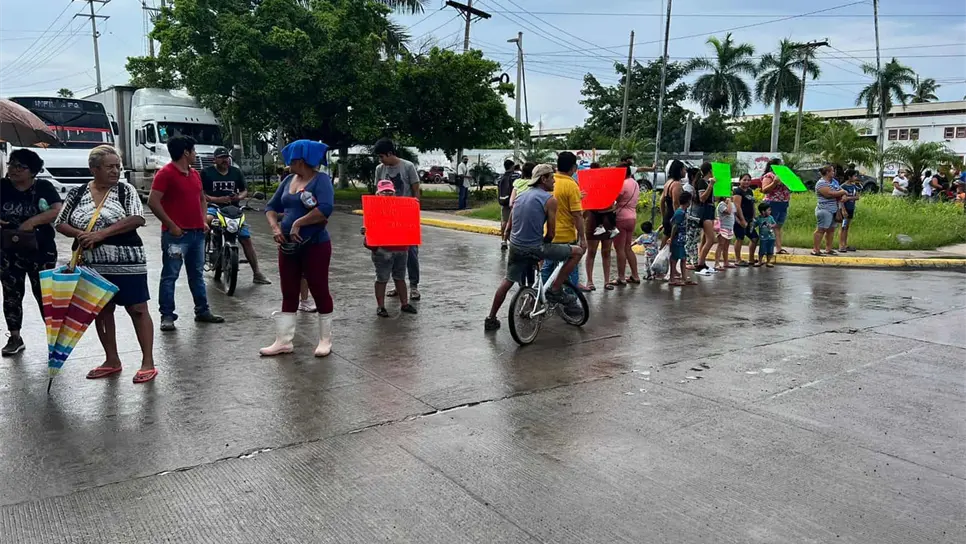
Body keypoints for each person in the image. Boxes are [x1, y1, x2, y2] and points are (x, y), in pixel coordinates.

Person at [55, 145, 156, 383]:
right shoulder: (77, 193)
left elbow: (136, 218)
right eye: (109, 167)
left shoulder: (125, 190)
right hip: (93, 264)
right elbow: (60, 223)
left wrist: (101, 235)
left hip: (128, 261)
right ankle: (112, 359)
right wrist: (81, 234)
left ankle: (147, 362)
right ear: (94, 169)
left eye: (117, 167)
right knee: (101, 310)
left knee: (138, 309)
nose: (115, 171)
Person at [484, 164, 585, 331]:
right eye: (551, 178)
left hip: (516, 246)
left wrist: (510, 239)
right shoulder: (549, 200)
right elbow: (551, 233)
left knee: (507, 281)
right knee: (577, 252)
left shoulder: (520, 196)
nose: (554, 181)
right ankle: (556, 288)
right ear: (543, 179)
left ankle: (491, 318)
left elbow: (508, 227)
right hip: (534, 248)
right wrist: (543, 247)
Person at [260, 139, 335, 357]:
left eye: (290, 160)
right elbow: (271, 207)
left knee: (319, 289)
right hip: (288, 245)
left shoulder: (321, 180)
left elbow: (326, 209)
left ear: (300, 160)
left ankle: (324, 340)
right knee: (289, 290)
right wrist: (275, 227)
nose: (287, 164)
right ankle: (284, 341)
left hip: (315, 244)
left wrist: (298, 222)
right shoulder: (288, 180)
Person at [147, 135, 224, 331]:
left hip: (197, 234)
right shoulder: (165, 174)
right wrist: (171, 225)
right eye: (193, 151)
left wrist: (203, 219)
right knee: (170, 275)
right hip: (176, 237)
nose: (195, 154)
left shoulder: (194, 174)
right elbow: (153, 202)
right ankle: (167, 315)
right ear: (185, 152)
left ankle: (202, 310)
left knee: (196, 274)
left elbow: (201, 199)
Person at [0, 148, 62, 355]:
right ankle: (15, 337)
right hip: (8, 250)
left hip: (40, 250)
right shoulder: (2, 186)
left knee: (46, 294)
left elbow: (56, 210)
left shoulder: (44, 187)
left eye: (20, 166)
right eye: (12, 165)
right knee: (11, 294)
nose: (14, 170)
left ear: (33, 171)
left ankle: (54, 340)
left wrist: (31, 222)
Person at [201, 147, 271, 285]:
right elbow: (200, 194)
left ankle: (257, 273)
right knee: (206, 222)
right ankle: (202, 256)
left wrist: (238, 197)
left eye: (226, 157)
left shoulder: (236, 172)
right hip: (214, 208)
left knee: (246, 238)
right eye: (221, 157)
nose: (224, 160)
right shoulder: (206, 173)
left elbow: (245, 191)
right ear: (214, 159)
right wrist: (217, 200)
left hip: (234, 210)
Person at [374, 138, 421, 301]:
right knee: (391, 254)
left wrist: (415, 211)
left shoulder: (408, 166)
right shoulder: (380, 169)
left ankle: (413, 286)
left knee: (411, 252)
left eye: (382, 156)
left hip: (406, 216)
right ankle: (397, 284)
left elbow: (416, 190)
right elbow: (377, 193)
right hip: (388, 218)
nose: (381, 160)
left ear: (390, 153)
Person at [363, 180, 417, 317]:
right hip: (382, 251)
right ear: (378, 193)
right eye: (384, 191)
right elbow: (368, 236)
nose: (387, 194)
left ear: (394, 192)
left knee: (400, 277)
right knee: (382, 278)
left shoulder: (403, 207)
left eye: (389, 191)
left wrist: (414, 207)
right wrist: (367, 233)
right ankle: (380, 306)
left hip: (401, 249)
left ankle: (404, 304)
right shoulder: (373, 210)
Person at [542, 152, 586, 287]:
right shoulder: (571, 185)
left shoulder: (549, 182)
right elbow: (577, 215)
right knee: (569, 271)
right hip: (566, 236)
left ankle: (541, 294)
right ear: (573, 168)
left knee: (547, 268)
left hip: (548, 234)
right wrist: (582, 238)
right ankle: (569, 299)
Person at [613, 165, 642, 284]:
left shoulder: (623, 184)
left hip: (621, 218)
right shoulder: (635, 183)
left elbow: (616, 199)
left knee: (619, 249)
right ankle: (635, 275)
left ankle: (621, 277)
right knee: (628, 247)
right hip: (632, 217)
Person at [812, 165, 847, 256]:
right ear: (827, 172)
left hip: (834, 209)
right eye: (832, 171)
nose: (834, 173)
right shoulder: (821, 183)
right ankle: (816, 249)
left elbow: (840, 189)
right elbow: (829, 194)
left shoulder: (834, 181)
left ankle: (828, 249)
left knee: (831, 230)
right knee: (821, 229)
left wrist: (843, 195)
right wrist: (843, 193)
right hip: (824, 209)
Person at [661, 191, 694, 286]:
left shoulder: (682, 212)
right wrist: (671, 238)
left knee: (683, 258)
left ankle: (684, 277)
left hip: (681, 239)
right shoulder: (680, 213)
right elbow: (674, 226)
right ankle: (672, 278)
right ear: (688, 201)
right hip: (677, 239)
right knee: (674, 258)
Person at [761, 158, 791, 255]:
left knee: (777, 226)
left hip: (783, 203)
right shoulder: (769, 176)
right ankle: (765, 249)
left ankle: (778, 248)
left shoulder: (784, 176)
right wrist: (774, 183)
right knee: (768, 226)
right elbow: (764, 190)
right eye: (780, 164)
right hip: (772, 203)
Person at [694, 163, 718, 276]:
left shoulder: (709, 183)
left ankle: (702, 262)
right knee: (711, 239)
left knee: (705, 238)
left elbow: (714, 198)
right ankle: (700, 264)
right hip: (705, 211)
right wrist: (710, 185)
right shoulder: (702, 182)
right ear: (709, 171)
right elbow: (702, 198)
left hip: (711, 209)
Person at [587, 163, 619, 240]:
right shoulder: (605, 178)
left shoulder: (593, 180)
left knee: (596, 212)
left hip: (600, 207)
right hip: (608, 207)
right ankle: (613, 228)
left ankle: (601, 226)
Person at [732, 173, 758, 266]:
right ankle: (738, 259)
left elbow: (752, 204)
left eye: (748, 180)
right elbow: (737, 206)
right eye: (744, 179)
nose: (746, 182)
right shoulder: (737, 191)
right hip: (740, 219)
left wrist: (754, 216)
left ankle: (751, 259)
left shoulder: (750, 191)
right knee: (740, 238)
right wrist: (742, 220)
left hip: (749, 219)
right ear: (740, 181)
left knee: (754, 238)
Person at [659, 160, 686, 243]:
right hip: (673, 216)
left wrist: (664, 216)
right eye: (684, 169)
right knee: (672, 242)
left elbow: (661, 200)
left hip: (668, 214)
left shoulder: (668, 183)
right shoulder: (676, 184)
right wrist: (678, 218)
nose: (685, 172)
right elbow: (676, 202)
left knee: (666, 238)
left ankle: (660, 255)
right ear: (679, 170)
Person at [497, 159, 520, 250]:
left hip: (503, 201)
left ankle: (504, 241)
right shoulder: (516, 176)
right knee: (514, 222)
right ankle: (514, 241)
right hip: (514, 202)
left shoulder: (500, 177)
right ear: (512, 166)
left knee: (504, 221)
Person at [839, 169, 861, 252]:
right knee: (843, 226)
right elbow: (841, 200)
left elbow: (857, 197)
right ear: (849, 177)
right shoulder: (843, 187)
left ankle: (845, 244)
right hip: (845, 208)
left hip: (851, 208)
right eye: (854, 176)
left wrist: (848, 198)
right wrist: (843, 210)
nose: (856, 177)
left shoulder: (854, 186)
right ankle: (841, 245)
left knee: (847, 227)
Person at [684, 167, 701, 270]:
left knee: (695, 241)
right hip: (690, 217)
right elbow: (696, 200)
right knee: (689, 240)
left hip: (697, 217)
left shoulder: (695, 188)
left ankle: (695, 260)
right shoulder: (688, 188)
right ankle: (686, 261)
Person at [714, 196, 736, 270]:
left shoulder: (731, 204)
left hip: (729, 228)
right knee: (720, 245)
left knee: (726, 247)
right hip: (723, 227)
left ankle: (726, 262)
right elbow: (729, 212)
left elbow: (733, 214)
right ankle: (716, 263)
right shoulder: (721, 204)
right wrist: (729, 202)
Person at [754, 203, 778, 268]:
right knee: (762, 250)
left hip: (771, 237)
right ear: (763, 211)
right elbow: (754, 225)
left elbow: (775, 224)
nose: (770, 211)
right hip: (763, 238)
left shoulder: (771, 217)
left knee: (770, 250)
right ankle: (760, 261)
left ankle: (768, 261)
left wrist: (771, 226)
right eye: (769, 210)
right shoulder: (759, 218)